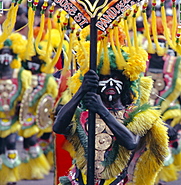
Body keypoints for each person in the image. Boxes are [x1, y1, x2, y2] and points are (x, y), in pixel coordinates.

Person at [53, 27, 169, 185]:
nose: (111, 83)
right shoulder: (81, 113)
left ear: (126, 83)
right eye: (105, 78)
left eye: (116, 78)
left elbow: (130, 142)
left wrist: (101, 110)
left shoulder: (136, 114)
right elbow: (58, 127)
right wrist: (81, 91)